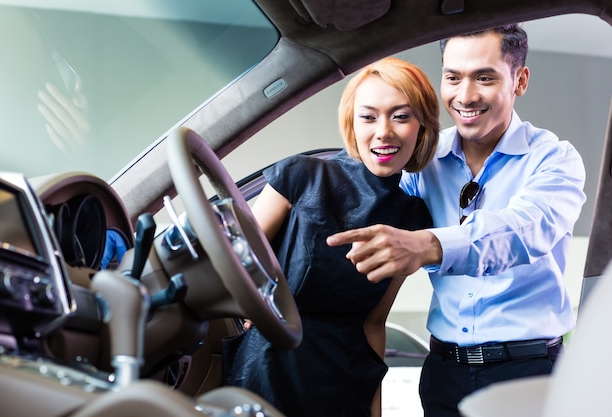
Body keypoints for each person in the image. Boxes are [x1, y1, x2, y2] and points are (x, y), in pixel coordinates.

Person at [326, 24, 587, 417]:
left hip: (529, 373)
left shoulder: (554, 159)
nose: (465, 96)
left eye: (484, 78)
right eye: (453, 77)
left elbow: (524, 229)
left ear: (520, 80)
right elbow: (364, 205)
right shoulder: (421, 162)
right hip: (442, 374)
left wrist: (428, 245)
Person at [222, 57, 440, 417]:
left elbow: (373, 323)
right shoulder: (299, 175)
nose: (383, 131)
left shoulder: (412, 218)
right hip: (268, 369)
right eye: (368, 117)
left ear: (422, 126)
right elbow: (236, 266)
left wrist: (375, 412)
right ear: (352, 123)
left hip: (346, 384)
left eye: (400, 116)